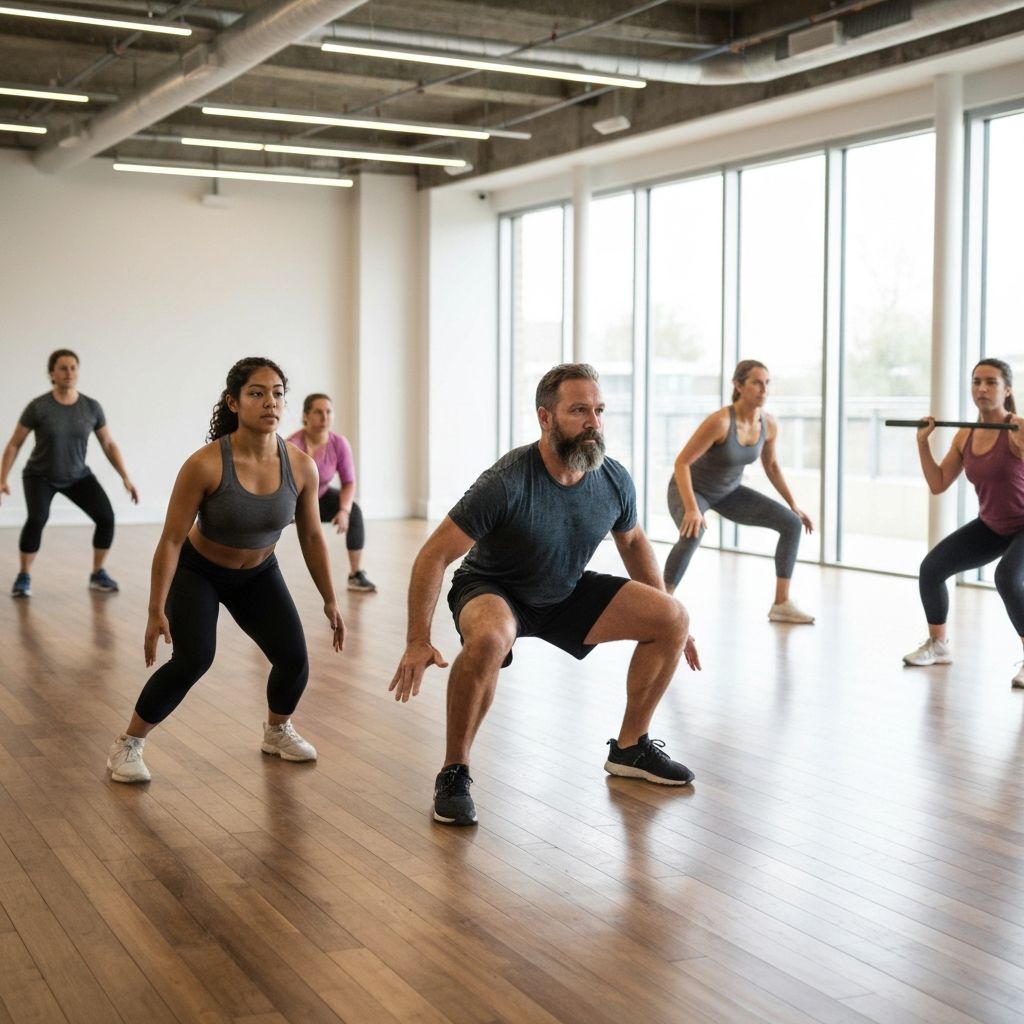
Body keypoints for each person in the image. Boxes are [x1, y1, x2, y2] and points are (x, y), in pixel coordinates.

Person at [389, 362, 701, 827]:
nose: (593, 422)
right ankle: (455, 771)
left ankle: (631, 748)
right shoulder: (507, 481)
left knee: (673, 617)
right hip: (495, 588)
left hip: (564, 589)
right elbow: (433, 555)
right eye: (579, 410)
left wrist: (671, 618)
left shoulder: (613, 480)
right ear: (545, 418)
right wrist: (417, 637)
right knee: (492, 639)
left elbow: (633, 543)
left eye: (598, 410)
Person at [106, 357, 345, 784]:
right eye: (256, 393)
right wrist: (155, 608)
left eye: (277, 393)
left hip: (257, 573)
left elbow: (311, 537)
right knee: (193, 659)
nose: (269, 401)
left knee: (293, 658)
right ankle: (128, 743)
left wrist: (330, 599)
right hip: (200, 570)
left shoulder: (300, 466)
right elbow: (173, 540)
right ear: (234, 403)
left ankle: (276, 732)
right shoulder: (205, 465)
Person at [664, 359, 814, 623]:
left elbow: (773, 466)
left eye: (767, 383)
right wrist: (691, 508)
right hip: (690, 488)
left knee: (791, 523)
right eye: (756, 383)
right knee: (693, 532)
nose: (763, 389)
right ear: (738, 385)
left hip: (728, 492)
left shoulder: (769, 425)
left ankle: (781, 604)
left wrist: (794, 504)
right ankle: (661, 601)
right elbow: (682, 463)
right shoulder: (721, 422)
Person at [903, 358, 1024, 687]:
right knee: (932, 569)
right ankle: (939, 645)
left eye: (992, 382)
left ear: (1007, 389)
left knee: (1008, 578)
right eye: (976, 382)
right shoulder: (965, 436)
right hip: (992, 524)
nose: (982, 388)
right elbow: (938, 482)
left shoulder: (1018, 429)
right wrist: (922, 442)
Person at [1, 349, 139, 598]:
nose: (69, 373)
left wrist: (125, 477)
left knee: (106, 516)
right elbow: (14, 443)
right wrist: (2, 479)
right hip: (40, 475)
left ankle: (98, 573)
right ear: (52, 373)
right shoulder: (38, 407)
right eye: (63, 368)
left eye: (73, 367)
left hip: (77, 476)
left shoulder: (91, 407)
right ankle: (23, 576)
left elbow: (108, 444)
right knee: (37, 519)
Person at [287, 394, 375, 593]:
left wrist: (344, 510)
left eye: (328, 412)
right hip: (295, 500)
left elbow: (349, 482)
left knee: (355, 512)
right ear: (306, 416)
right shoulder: (292, 445)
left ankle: (356, 574)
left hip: (321, 496)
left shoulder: (339, 443)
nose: (324, 417)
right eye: (318, 412)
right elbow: (281, 483)